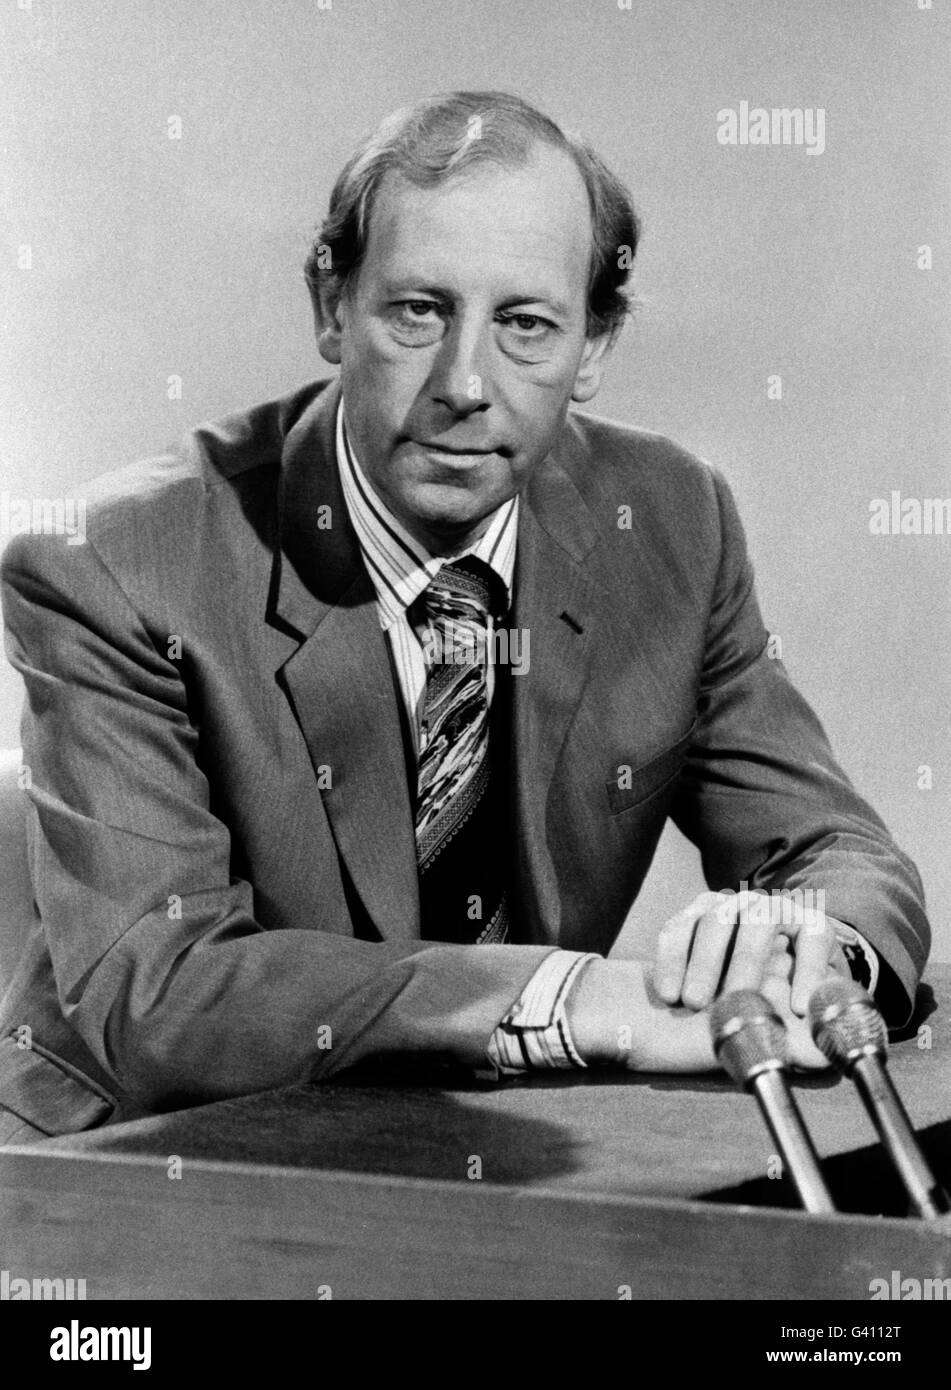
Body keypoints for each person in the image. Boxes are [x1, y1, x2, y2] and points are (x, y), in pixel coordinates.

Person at [0, 91, 929, 1142]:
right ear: (331, 305)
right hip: (131, 1153)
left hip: (478, 1143)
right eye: (418, 311)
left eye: (526, 324)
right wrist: (574, 999)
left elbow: (835, 848)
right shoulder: (119, 564)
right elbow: (157, 993)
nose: (465, 384)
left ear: (594, 345)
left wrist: (807, 946)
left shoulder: (670, 520)